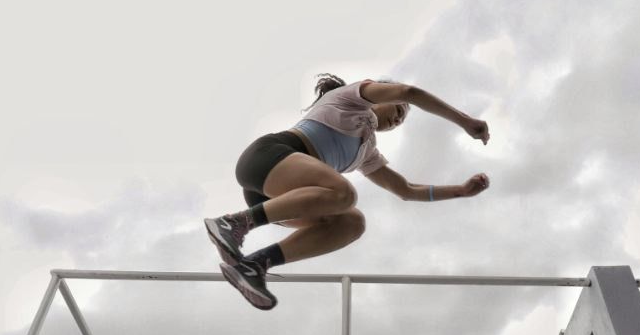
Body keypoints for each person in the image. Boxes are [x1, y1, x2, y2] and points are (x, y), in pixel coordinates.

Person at [205, 74, 491, 309]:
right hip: (266, 158)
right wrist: (466, 121)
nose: (400, 118)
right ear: (383, 97)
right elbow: (409, 90)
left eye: (403, 118)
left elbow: (406, 189)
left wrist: (461, 191)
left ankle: (254, 265)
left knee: (353, 222)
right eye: (399, 109)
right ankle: (234, 223)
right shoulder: (351, 98)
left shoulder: (366, 151)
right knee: (344, 194)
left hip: (280, 198)